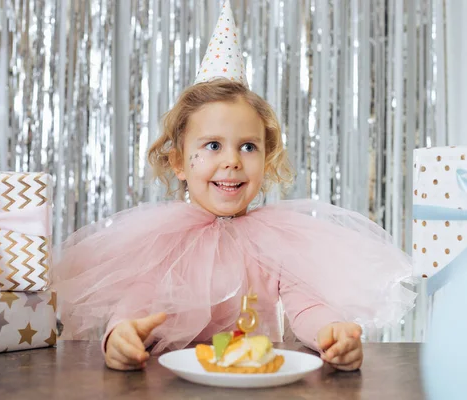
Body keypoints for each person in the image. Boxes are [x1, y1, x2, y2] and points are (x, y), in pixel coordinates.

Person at [52, 0, 415, 373]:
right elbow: (137, 304)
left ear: (266, 157)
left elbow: (305, 305)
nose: (232, 161)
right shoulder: (164, 239)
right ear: (178, 162)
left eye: (248, 146)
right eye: (212, 146)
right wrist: (120, 335)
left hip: (254, 382)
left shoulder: (275, 240)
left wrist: (331, 331)